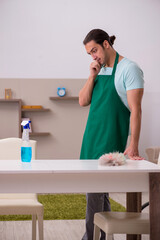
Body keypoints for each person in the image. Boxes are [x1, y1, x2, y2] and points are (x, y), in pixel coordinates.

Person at [79, 29, 144, 240]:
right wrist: (91, 75)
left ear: (106, 44)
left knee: (94, 196)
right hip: (91, 140)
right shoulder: (99, 70)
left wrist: (133, 145)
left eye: (95, 50)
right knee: (99, 195)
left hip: (109, 140)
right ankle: (102, 236)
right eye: (89, 53)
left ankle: (90, 238)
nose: (93, 56)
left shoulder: (129, 69)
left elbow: (136, 109)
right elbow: (82, 101)